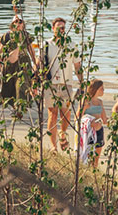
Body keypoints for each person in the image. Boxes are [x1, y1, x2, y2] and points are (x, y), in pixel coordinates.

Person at [42, 17, 81, 150]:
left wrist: (82, 83)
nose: (61, 30)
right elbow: (39, 63)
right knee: (52, 114)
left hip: (67, 84)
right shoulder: (46, 44)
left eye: (63, 28)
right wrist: (35, 83)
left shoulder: (72, 45)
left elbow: (77, 65)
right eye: (58, 28)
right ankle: (53, 146)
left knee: (66, 114)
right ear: (53, 29)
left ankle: (62, 133)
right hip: (51, 84)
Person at [0, 15, 33, 112]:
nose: (18, 24)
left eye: (20, 22)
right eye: (16, 22)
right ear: (12, 24)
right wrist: (0, 63)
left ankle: (20, 108)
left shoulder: (26, 36)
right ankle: (14, 107)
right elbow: (0, 50)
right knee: (9, 86)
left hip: (24, 63)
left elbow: (31, 51)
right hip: (10, 64)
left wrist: (36, 65)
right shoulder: (7, 35)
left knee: (21, 85)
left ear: (23, 24)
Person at [79, 79, 108, 164]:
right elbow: (78, 117)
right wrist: (84, 108)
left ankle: (94, 174)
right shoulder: (86, 101)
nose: (103, 90)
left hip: (99, 131)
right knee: (88, 156)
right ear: (96, 89)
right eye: (102, 88)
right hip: (89, 132)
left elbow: (105, 120)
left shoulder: (100, 102)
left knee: (96, 158)